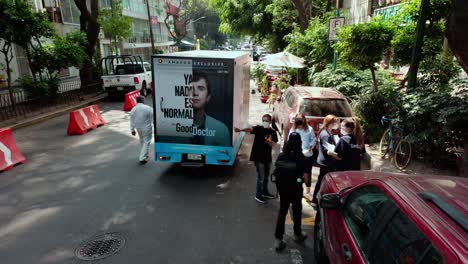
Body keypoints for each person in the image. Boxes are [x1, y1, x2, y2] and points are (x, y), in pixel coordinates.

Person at [272, 132, 308, 251]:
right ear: (300, 142)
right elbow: (307, 179)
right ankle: (297, 234)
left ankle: (278, 240)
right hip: (296, 189)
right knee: (297, 211)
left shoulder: (282, 155)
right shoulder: (301, 157)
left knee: (282, 211)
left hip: (283, 189)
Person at [235, 114, 278, 203]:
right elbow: (250, 129)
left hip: (267, 158)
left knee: (266, 177)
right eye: (263, 120)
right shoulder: (259, 128)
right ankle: (258, 195)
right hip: (259, 158)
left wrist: (270, 142)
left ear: (270, 122)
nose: (264, 122)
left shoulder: (273, 132)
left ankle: (265, 192)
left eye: (266, 120)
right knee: (260, 177)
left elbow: (275, 145)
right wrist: (240, 130)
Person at [191, 72, 230, 146]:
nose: (195, 93)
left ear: (208, 97)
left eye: (201, 88)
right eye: (190, 88)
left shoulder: (221, 129)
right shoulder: (171, 127)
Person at [312, 114, 340, 206]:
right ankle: (316, 200)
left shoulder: (327, 132)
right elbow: (330, 150)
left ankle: (316, 199)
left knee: (322, 180)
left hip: (325, 162)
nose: (336, 124)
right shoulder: (325, 135)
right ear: (329, 123)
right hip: (326, 163)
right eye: (335, 122)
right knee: (322, 181)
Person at [288, 113, 316, 201]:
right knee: (297, 175)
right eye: (298, 120)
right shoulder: (293, 130)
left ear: (304, 120)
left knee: (307, 174)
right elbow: (289, 141)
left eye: (301, 119)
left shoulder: (309, 129)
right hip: (297, 156)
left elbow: (313, 139)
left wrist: (311, 146)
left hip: (307, 155)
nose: (300, 122)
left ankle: (307, 192)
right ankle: (298, 191)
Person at [130, 96, 154, 164]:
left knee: (142, 141)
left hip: (138, 128)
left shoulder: (133, 109)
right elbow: (152, 118)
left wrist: (132, 130)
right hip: (147, 127)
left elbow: (132, 120)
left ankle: (145, 155)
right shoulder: (148, 108)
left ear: (137, 101)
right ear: (143, 101)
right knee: (146, 142)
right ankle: (142, 158)